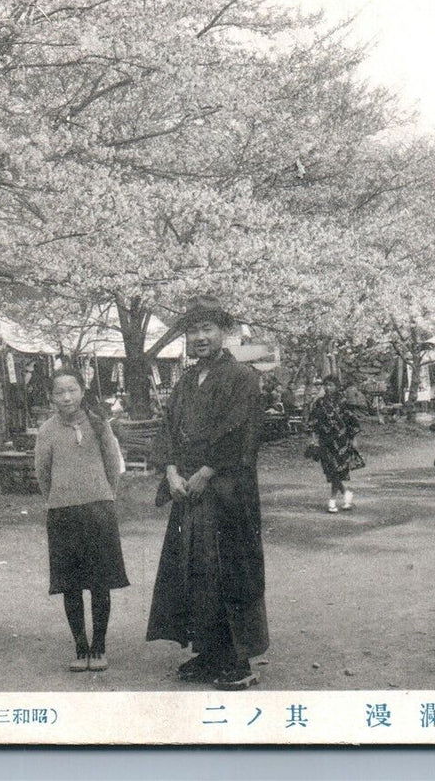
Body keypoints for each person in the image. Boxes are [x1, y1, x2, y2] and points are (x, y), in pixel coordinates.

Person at [146, 295, 268, 690]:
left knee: (229, 570)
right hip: (188, 491)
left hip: (227, 490)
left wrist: (207, 470)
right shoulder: (185, 381)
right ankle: (208, 651)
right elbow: (167, 428)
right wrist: (170, 471)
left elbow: (242, 432)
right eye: (193, 330)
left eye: (207, 329)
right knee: (194, 570)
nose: (199, 337)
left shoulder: (242, 378)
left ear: (223, 332)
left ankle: (238, 659)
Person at [34, 369, 129, 672]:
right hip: (63, 513)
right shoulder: (47, 430)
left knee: (100, 584)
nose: (67, 397)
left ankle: (99, 646)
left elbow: (113, 466)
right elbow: (42, 473)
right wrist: (57, 499)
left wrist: (104, 495)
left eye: (72, 390)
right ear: (52, 396)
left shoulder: (99, 425)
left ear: (82, 391)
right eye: (60, 391)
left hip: (98, 511)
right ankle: (80, 646)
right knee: (71, 585)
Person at [307, 375, 364, 513]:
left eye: (331, 385)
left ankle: (332, 500)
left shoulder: (343, 402)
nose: (328, 388)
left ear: (337, 386)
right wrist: (313, 439)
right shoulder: (319, 403)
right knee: (331, 470)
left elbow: (352, 421)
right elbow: (313, 422)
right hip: (325, 441)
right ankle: (346, 494)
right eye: (326, 385)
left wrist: (354, 438)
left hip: (341, 440)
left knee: (337, 471)